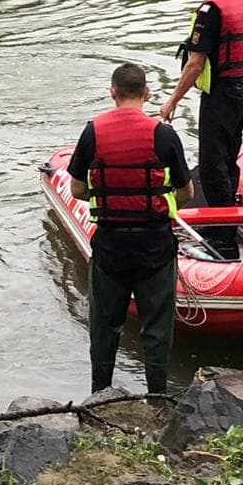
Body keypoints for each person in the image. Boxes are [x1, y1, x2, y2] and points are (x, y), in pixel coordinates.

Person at [68, 62, 194, 395]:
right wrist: (160, 204)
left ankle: (99, 394)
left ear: (113, 93)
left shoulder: (92, 132)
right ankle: (157, 396)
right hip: (155, 246)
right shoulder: (163, 135)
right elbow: (187, 191)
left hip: (110, 246)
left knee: (105, 325)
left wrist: (111, 196)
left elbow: (77, 189)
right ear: (147, 94)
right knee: (157, 327)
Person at [158, 0, 243, 210]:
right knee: (229, 157)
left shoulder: (210, 10)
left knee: (212, 164)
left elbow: (195, 64)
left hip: (219, 96)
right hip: (240, 92)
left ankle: (221, 231)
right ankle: (231, 211)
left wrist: (172, 101)